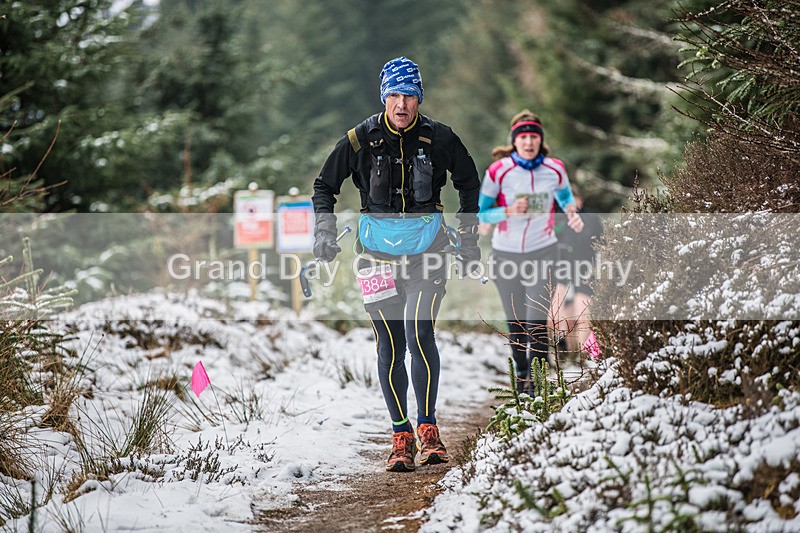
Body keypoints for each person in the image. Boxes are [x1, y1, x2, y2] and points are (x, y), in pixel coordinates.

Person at [311, 56, 481, 472]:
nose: (401, 104)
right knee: (390, 345)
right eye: (394, 95)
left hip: (429, 253)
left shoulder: (440, 138)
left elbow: (469, 183)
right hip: (375, 257)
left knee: (419, 333)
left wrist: (470, 237)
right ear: (383, 97)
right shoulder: (358, 140)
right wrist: (324, 233)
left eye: (409, 95)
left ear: (419, 98)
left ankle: (428, 430)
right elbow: (323, 187)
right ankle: (400, 435)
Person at [478, 109, 583, 392]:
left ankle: (536, 383)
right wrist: (508, 210)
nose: (528, 142)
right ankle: (522, 374)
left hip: (542, 250)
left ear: (540, 140)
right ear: (515, 141)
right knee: (516, 320)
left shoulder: (554, 169)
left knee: (536, 317)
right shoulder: (498, 171)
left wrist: (572, 212)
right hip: (506, 253)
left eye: (533, 137)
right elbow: (482, 214)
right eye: (523, 137)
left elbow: (565, 197)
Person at [552, 188, 603, 352]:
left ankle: (583, 354)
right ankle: (568, 352)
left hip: (585, 270)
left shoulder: (590, 217)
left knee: (583, 313)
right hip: (561, 271)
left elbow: (599, 241)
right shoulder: (557, 219)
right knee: (559, 315)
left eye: (575, 199)